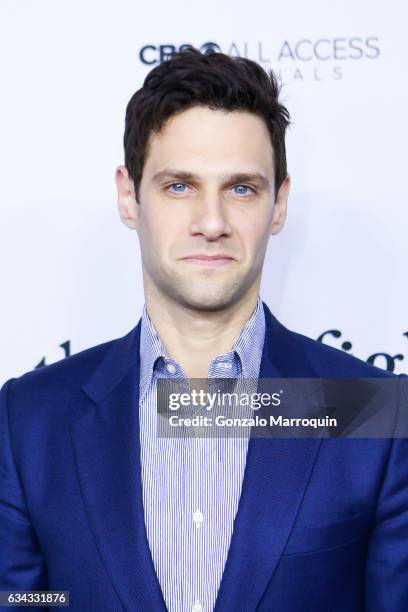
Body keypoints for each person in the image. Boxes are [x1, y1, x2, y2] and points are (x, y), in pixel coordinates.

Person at [0, 48, 407, 612]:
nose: (212, 223)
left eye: (241, 188)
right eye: (179, 186)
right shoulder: (31, 420)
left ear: (279, 203)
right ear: (129, 196)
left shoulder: (370, 412)